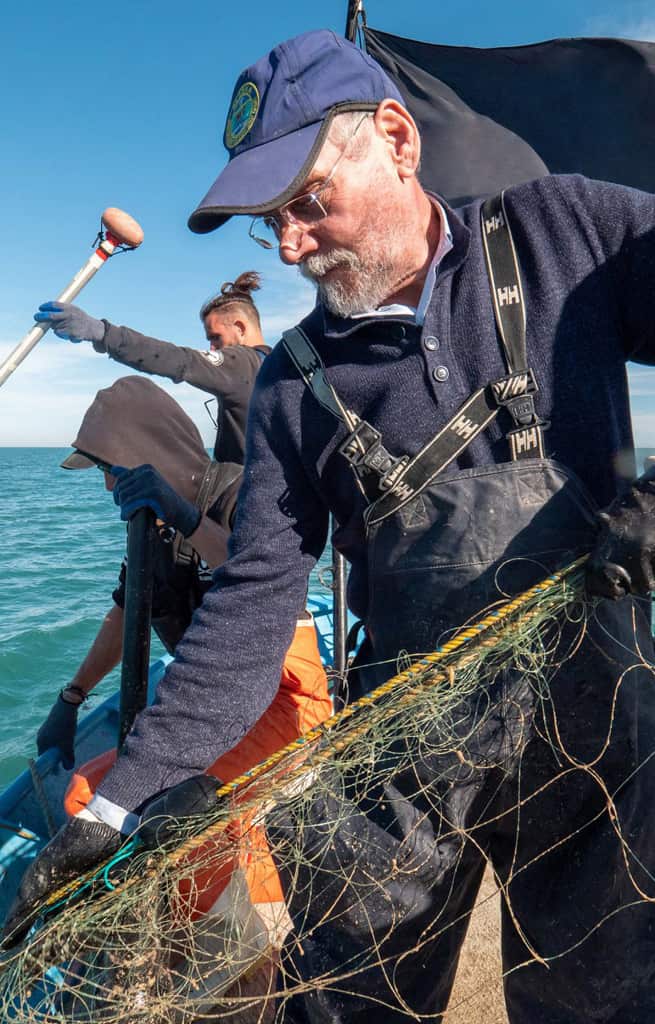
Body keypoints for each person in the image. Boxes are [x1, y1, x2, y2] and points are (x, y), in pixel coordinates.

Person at [6, 27, 655, 1023]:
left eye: (307, 201)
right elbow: (250, 608)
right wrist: (119, 800)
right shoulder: (290, 388)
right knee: (349, 993)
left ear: (397, 138)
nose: (291, 245)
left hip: (596, 726)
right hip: (409, 741)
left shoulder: (562, 231)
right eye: (270, 221)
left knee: (594, 995)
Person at [35, 374, 243, 772]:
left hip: (266, 694)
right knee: (85, 790)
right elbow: (128, 609)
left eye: (110, 468)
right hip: (200, 699)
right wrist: (73, 696)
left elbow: (262, 577)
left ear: (148, 453)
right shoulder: (150, 525)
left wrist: (189, 520)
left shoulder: (241, 494)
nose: (108, 485)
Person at [34, 271, 270, 463]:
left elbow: (178, 359)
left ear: (240, 328)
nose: (211, 347)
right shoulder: (276, 365)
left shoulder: (242, 364)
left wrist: (102, 333)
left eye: (216, 337)